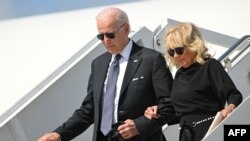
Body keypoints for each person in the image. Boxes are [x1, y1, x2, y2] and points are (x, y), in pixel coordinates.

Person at [37, 7, 175, 141]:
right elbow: (88, 111)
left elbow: (170, 104)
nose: (105, 40)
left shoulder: (151, 59)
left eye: (110, 34)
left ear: (126, 29)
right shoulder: (98, 64)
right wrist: (59, 134)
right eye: (100, 36)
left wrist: (139, 126)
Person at [144, 22, 243, 141]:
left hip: (211, 132)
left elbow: (234, 94)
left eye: (179, 50)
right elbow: (178, 111)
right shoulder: (179, 74)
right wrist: (158, 110)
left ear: (192, 45)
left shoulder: (210, 66)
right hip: (186, 136)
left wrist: (230, 108)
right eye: (171, 52)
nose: (175, 55)